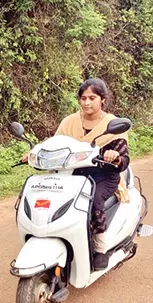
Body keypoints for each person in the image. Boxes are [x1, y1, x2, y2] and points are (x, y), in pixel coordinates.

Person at [21, 78, 130, 270]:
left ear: (102, 100)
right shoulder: (69, 122)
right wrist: (33, 154)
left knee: (93, 200)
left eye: (92, 98)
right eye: (83, 98)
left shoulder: (112, 124)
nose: (87, 102)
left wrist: (115, 156)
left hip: (102, 176)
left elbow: (124, 159)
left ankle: (100, 248)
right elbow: (53, 146)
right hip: (71, 175)